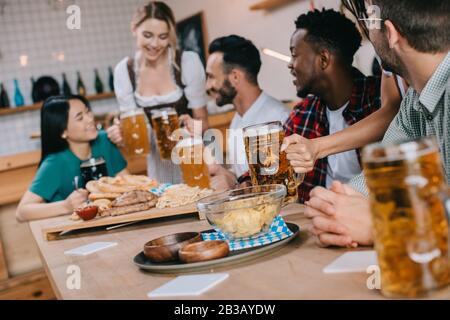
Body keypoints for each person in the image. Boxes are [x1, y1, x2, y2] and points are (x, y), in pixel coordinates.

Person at [303, 0, 450, 248]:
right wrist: (335, 205)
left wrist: (383, 224)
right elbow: (378, 179)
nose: (368, 34)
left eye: (370, 23)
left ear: (391, 34)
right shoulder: (415, 101)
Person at [255, 9, 380, 204]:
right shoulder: (304, 112)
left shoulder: (376, 100)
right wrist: (242, 182)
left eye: (294, 55)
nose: (290, 64)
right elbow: (271, 165)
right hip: (320, 221)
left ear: (323, 59)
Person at [107, 1, 209, 184]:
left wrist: (195, 126)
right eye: (147, 35)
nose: (155, 44)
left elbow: (204, 125)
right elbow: (136, 140)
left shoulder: (187, 62)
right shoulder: (125, 71)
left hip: (193, 160)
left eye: (163, 36)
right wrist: (122, 136)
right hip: (157, 167)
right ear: (134, 29)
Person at [16, 95, 128, 222]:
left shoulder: (105, 141)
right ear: (63, 131)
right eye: (80, 118)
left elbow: (127, 183)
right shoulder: (55, 163)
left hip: (115, 222)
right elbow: (21, 212)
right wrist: (65, 206)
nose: (90, 118)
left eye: (87, 111)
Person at [204, 35, 291, 191]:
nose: (207, 85)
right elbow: (240, 176)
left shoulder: (278, 118)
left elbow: (276, 188)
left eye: (211, 77)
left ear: (235, 77)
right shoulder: (237, 119)